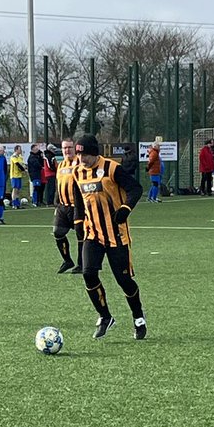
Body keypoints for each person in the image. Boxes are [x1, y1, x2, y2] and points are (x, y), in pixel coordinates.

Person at [71, 133, 147, 340]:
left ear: (95, 153)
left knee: (124, 280)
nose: (82, 159)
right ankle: (105, 316)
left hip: (116, 235)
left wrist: (125, 208)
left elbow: (136, 189)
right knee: (88, 273)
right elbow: (78, 199)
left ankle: (138, 317)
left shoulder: (113, 168)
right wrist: (78, 223)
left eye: (85, 155)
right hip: (92, 233)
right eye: (79, 155)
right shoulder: (77, 172)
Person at [52, 136, 83, 274]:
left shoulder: (80, 163)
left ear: (74, 149)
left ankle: (82, 264)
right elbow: (58, 184)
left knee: (81, 236)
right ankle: (67, 260)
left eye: (69, 147)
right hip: (63, 207)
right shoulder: (61, 165)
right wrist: (56, 203)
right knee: (58, 232)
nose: (67, 150)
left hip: (77, 207)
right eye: (64, 147)